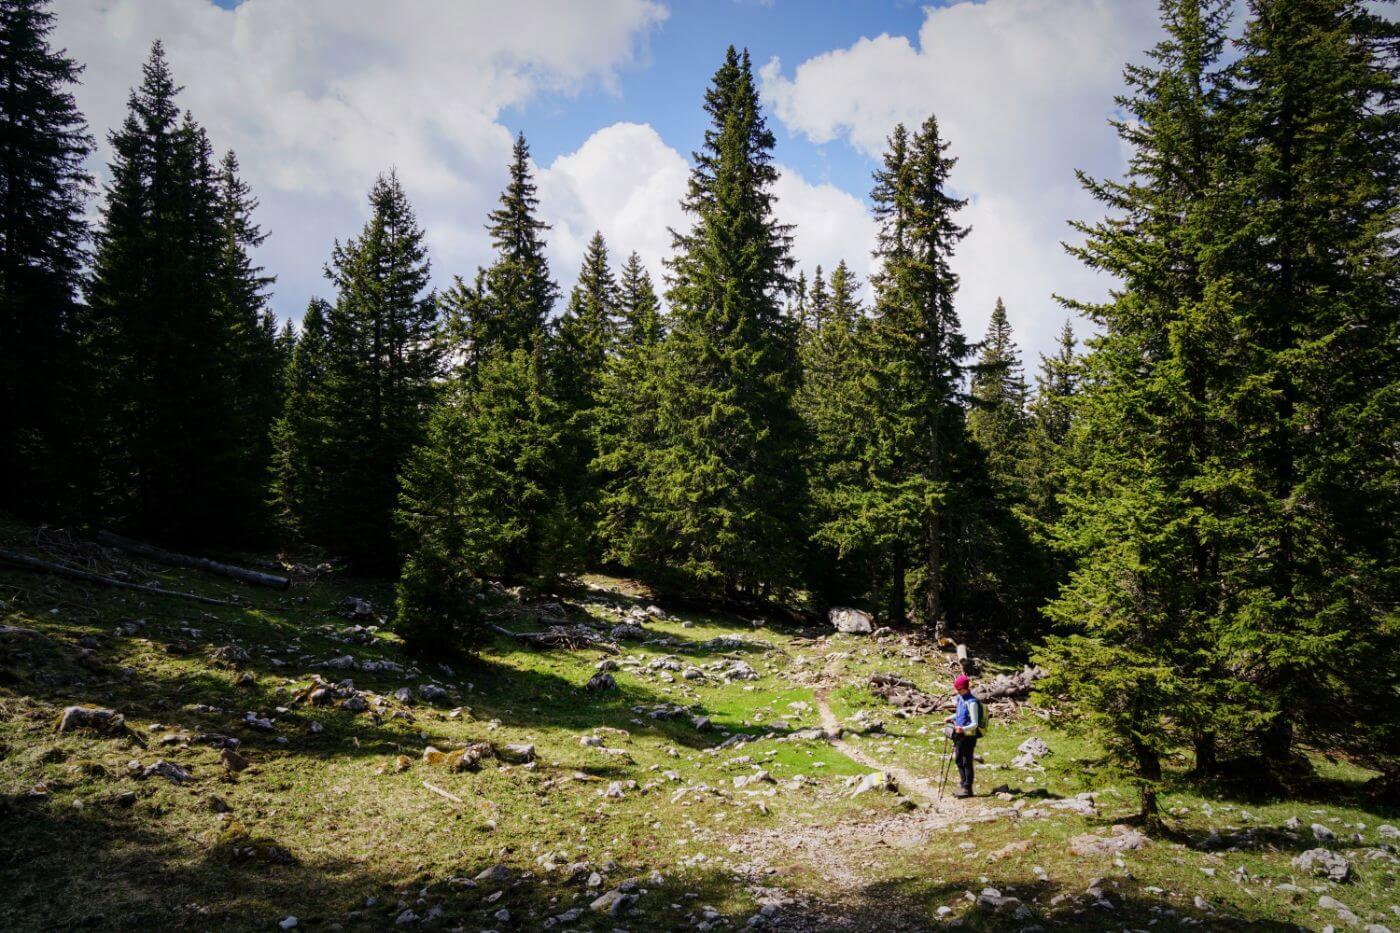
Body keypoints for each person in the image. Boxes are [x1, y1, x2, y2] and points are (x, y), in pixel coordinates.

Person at [944, 674, 983, 798]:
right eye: (957, 689)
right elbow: (960, 715)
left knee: (967, 761)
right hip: (959, 735)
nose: (957, 691)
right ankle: (963, 785)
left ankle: (967, 788)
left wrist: (963, 729)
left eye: (959, 689)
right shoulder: (960, 698)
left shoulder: (972, 703)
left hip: (969, 736)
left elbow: (975, 723)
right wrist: (950, 717)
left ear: (965, 688)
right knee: (959, 759)